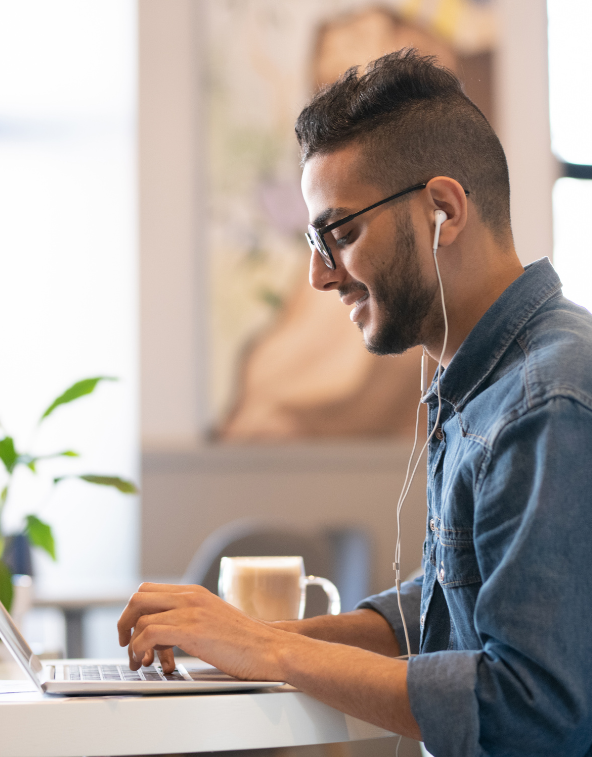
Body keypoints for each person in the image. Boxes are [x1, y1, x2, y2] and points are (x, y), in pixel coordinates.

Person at [118, 50, 592, 756]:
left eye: (339, 234)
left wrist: (268, 651)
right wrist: (245, 639)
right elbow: (444, 604)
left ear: (444, 210)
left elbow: (533, 713)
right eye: (316, 240)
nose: (319, 275)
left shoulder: (545, 402)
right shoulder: (487, 383)